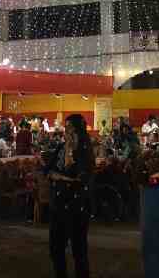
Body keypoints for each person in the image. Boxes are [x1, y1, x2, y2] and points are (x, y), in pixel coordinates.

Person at [45, 114, 93, 278]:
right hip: (58, 204)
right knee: (55, 248)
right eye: (66, 128)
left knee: (79, 250)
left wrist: (64, 172)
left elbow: (82, 178)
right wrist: (64, 177)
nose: (67, 132)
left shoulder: (84, 151)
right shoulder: (60, 148)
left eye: (71, 128)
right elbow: (48, 171)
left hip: (77, 206)